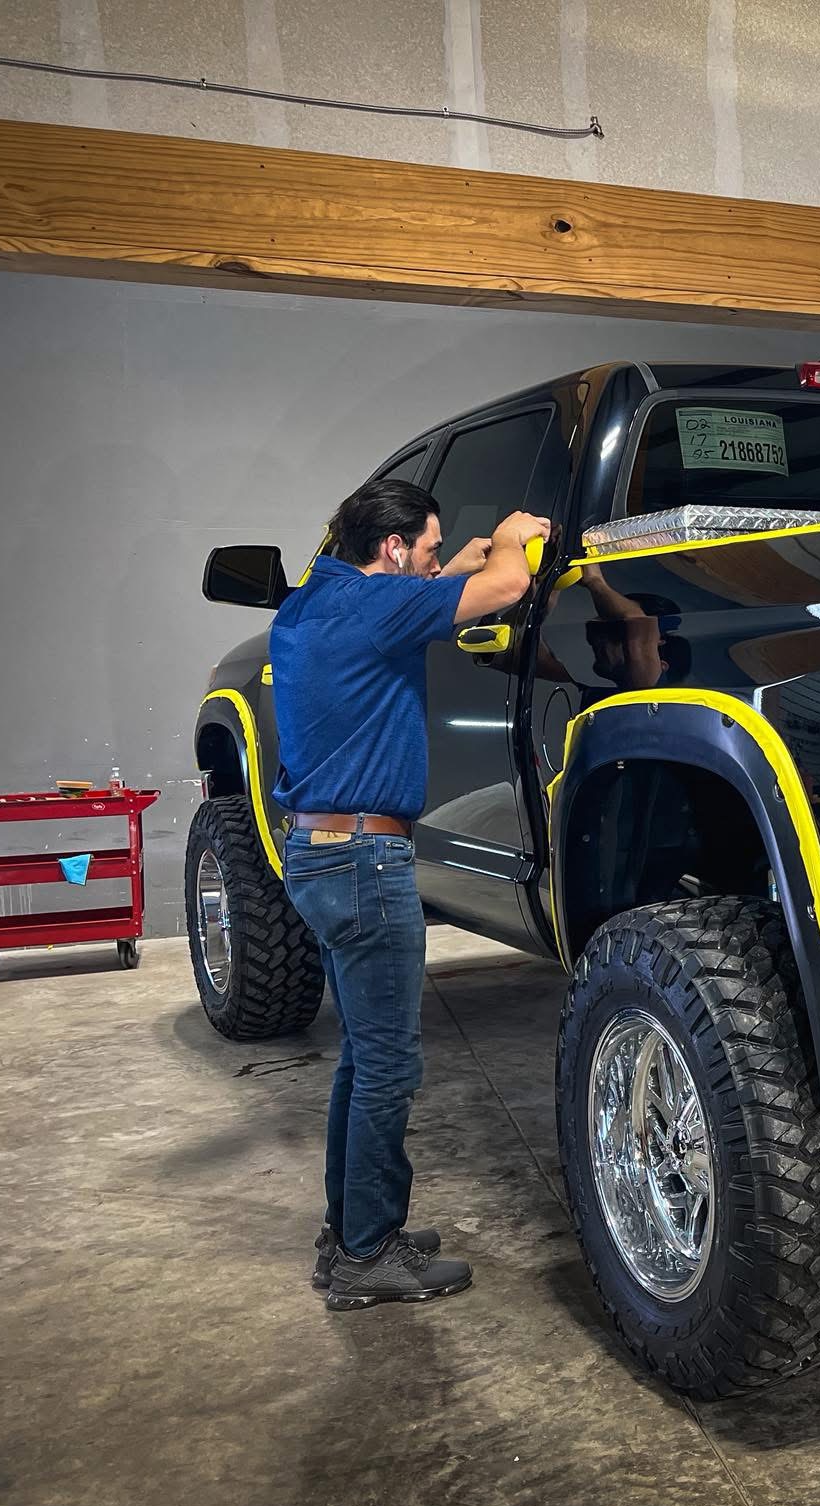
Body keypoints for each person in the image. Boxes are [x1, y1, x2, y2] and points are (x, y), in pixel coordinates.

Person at [269, 478, 548, 1309]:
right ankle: (368, 1256)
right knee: (390, 1065)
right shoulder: (379, 609)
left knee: (362, 1057)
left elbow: (400, 599)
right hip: (366, 862)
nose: (434, 559)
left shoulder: (312, 605)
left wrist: (443, 568)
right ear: (391, 548)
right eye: (426, 547)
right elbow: (508, 584)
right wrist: (507, 535)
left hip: (318, 855)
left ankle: (350, 1233)